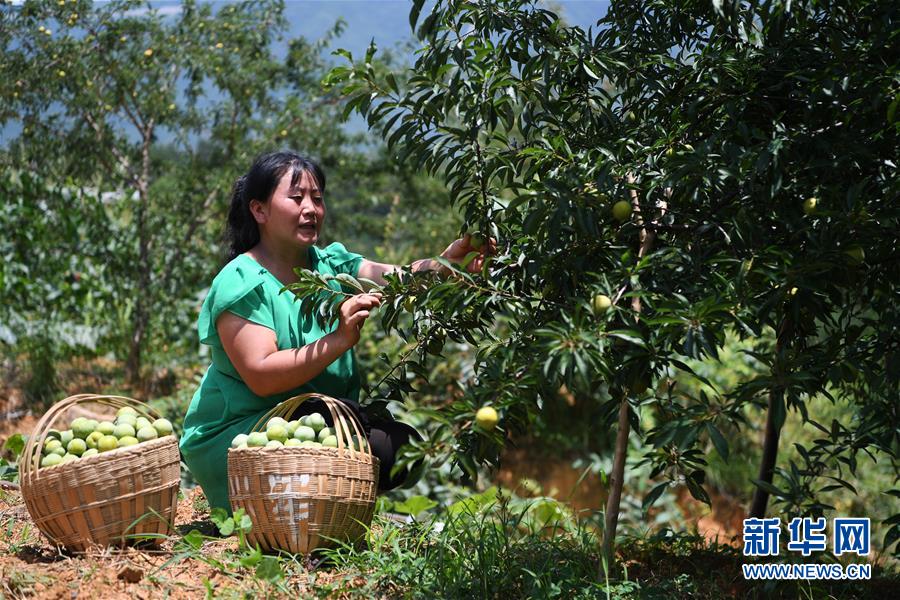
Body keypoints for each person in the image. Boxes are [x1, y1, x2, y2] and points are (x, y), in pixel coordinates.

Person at [179, 150, 495, 512]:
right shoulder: (242, 281)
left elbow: (396, 276)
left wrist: (445, 265)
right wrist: (338, 340)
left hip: (315, 422)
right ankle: (279, 511)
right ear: (259, 210)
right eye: (296, 198)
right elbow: (262, 376)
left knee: (401, 449)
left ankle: (317, 510)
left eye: (317, 198)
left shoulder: (329, 264)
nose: (311, 208)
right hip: (244, 436)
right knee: (340, 433)